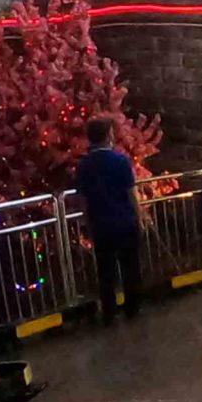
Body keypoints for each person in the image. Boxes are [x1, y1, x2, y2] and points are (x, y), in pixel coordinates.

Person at [72, 116, 143, 320]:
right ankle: (132, 308)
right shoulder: (120, 161)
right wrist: (139, 217)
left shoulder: (84, 165)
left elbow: (83, 199)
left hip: (100, 223)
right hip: (124, 221)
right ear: (108, 136)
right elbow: (131, 193)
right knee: (130, 266)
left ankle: (109, 312)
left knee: (105, 270)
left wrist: (86, 223)